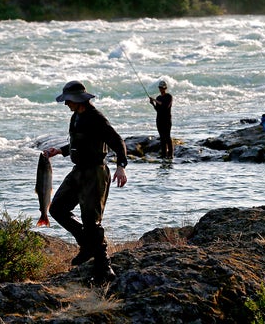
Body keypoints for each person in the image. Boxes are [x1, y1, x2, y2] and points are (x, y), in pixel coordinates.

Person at [43, 80, 128, 284]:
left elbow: (117, 141)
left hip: (95, 172)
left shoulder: (96, 118)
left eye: (68, 100)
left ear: (78, 99)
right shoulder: (76, 117)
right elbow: (77, 143)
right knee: (56, 209)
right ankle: (86, 244)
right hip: (78, 171)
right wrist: (60, 151)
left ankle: (104, 269)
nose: (66, 104)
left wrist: (121, 166)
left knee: (91, 221)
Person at [149, 80, 173, 159]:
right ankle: (163, 154)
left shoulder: (169, 97)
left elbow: (165, 106)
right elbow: (158, 110)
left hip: (167, 120)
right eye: (160, 87)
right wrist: (153, 104)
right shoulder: (158, 97)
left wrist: (155, 101)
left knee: (167, 137)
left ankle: (170, 154)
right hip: (159, 120)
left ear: (165, 88)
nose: (161, 89)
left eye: (162, 87)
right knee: (162, 138)